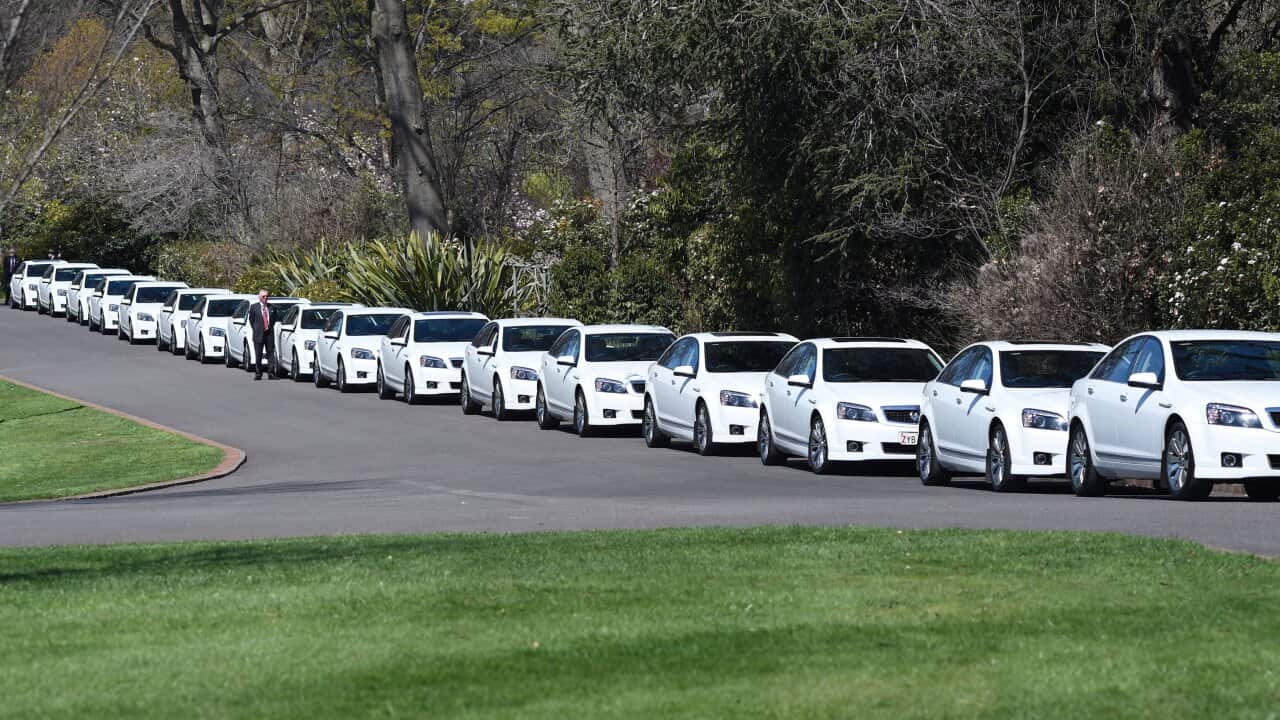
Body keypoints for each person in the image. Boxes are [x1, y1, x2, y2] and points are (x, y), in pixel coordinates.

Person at [248, 288, 275, 381]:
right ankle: (258, 373)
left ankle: (271, 373)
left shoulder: (272, 307)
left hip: (269, 333)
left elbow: (274, 320)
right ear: (259, 297)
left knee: (270, 353)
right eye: (264, 296)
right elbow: (251, 320)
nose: (266, 298)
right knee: (258, 354)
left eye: (267, 296)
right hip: (258, 334)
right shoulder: (254, 307)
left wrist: (268, 327)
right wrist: (257, 329)